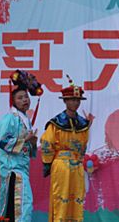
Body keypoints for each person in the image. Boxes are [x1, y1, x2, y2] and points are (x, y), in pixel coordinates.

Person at [41, 77, 93, 222]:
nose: (75, 103)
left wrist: (80, 159)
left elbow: (83, 145)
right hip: (61, 164)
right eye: (72, 100)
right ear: (65, 101)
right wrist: (48, 163)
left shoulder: (83, 124)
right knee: (61, 198)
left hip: (77, 166)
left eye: (77, 100)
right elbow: (47, 142)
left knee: (77, 199)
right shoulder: (56, 123)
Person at [0, 70, 42, 222]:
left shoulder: (25, 119)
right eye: (20, 98)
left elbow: (27, 149)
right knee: (21, 206)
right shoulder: (9, 118)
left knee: (18, 206)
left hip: (21, 169)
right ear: (13, 101)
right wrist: (24, 139)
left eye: (26, 97)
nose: (24, 100)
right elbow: (3, 142)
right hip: (12, 170)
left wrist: (32, 143)